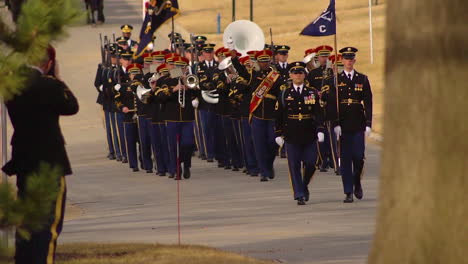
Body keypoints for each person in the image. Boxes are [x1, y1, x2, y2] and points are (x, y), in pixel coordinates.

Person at [2, 45, 79, 264]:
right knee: (48, 226)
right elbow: (72, 106)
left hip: (24, 160)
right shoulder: (49, 85)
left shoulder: (13, 86)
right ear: (49, 63)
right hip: (50, 162)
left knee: (27, 225)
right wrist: (57, 78)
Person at [275, 62, 324, 205]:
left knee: (311, 163)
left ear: (304, 75)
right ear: (290, 75)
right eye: (295, 73)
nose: (298, 75)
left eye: (301, 73)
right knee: (294, 165)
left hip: (309, 132)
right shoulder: (285, 93)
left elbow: (319, 113)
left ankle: (304, 184)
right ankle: (299, 193)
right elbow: (278, 115)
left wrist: (320, 129)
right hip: (291, 133)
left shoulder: (312, 92)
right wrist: (278, 133)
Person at [329, 47, 373, 203]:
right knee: (346, 159)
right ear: (342, 61)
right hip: (343, 124)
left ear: (354, 61)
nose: (348, 61)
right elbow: (332, 104)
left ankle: (357, 182)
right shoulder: (336, 79)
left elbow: (368, 102)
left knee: (359, 157)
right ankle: (348, 191)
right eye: (346, 59)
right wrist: (335, 123)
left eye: (351, 59)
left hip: (358, 123)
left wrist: (369, 123)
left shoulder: (362, 79)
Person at [232, 49, 282, 182]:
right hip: (257, 113)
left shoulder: (276, 75)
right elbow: (241, 71)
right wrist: (234, 59)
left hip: (272, 114)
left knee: (272, 142)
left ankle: (269, 164)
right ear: (258, 62)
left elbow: (281, 93)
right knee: (259, 144)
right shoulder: (252, 74)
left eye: (266, 61)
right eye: (262, 61)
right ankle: (264, 172)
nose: (264, 63)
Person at [157, 56, 199, 179]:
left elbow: (197, 94)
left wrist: (190, 86)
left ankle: (186, 165)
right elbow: (159, 98)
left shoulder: (189, 80)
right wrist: (173, 89)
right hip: (172, 117)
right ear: (173, 67)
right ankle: (176, 169)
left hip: (187, 117)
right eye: (177, 67)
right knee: (173, 145)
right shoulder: (164, 81)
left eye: (183, 67)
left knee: (187, 143)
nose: (180, 69)